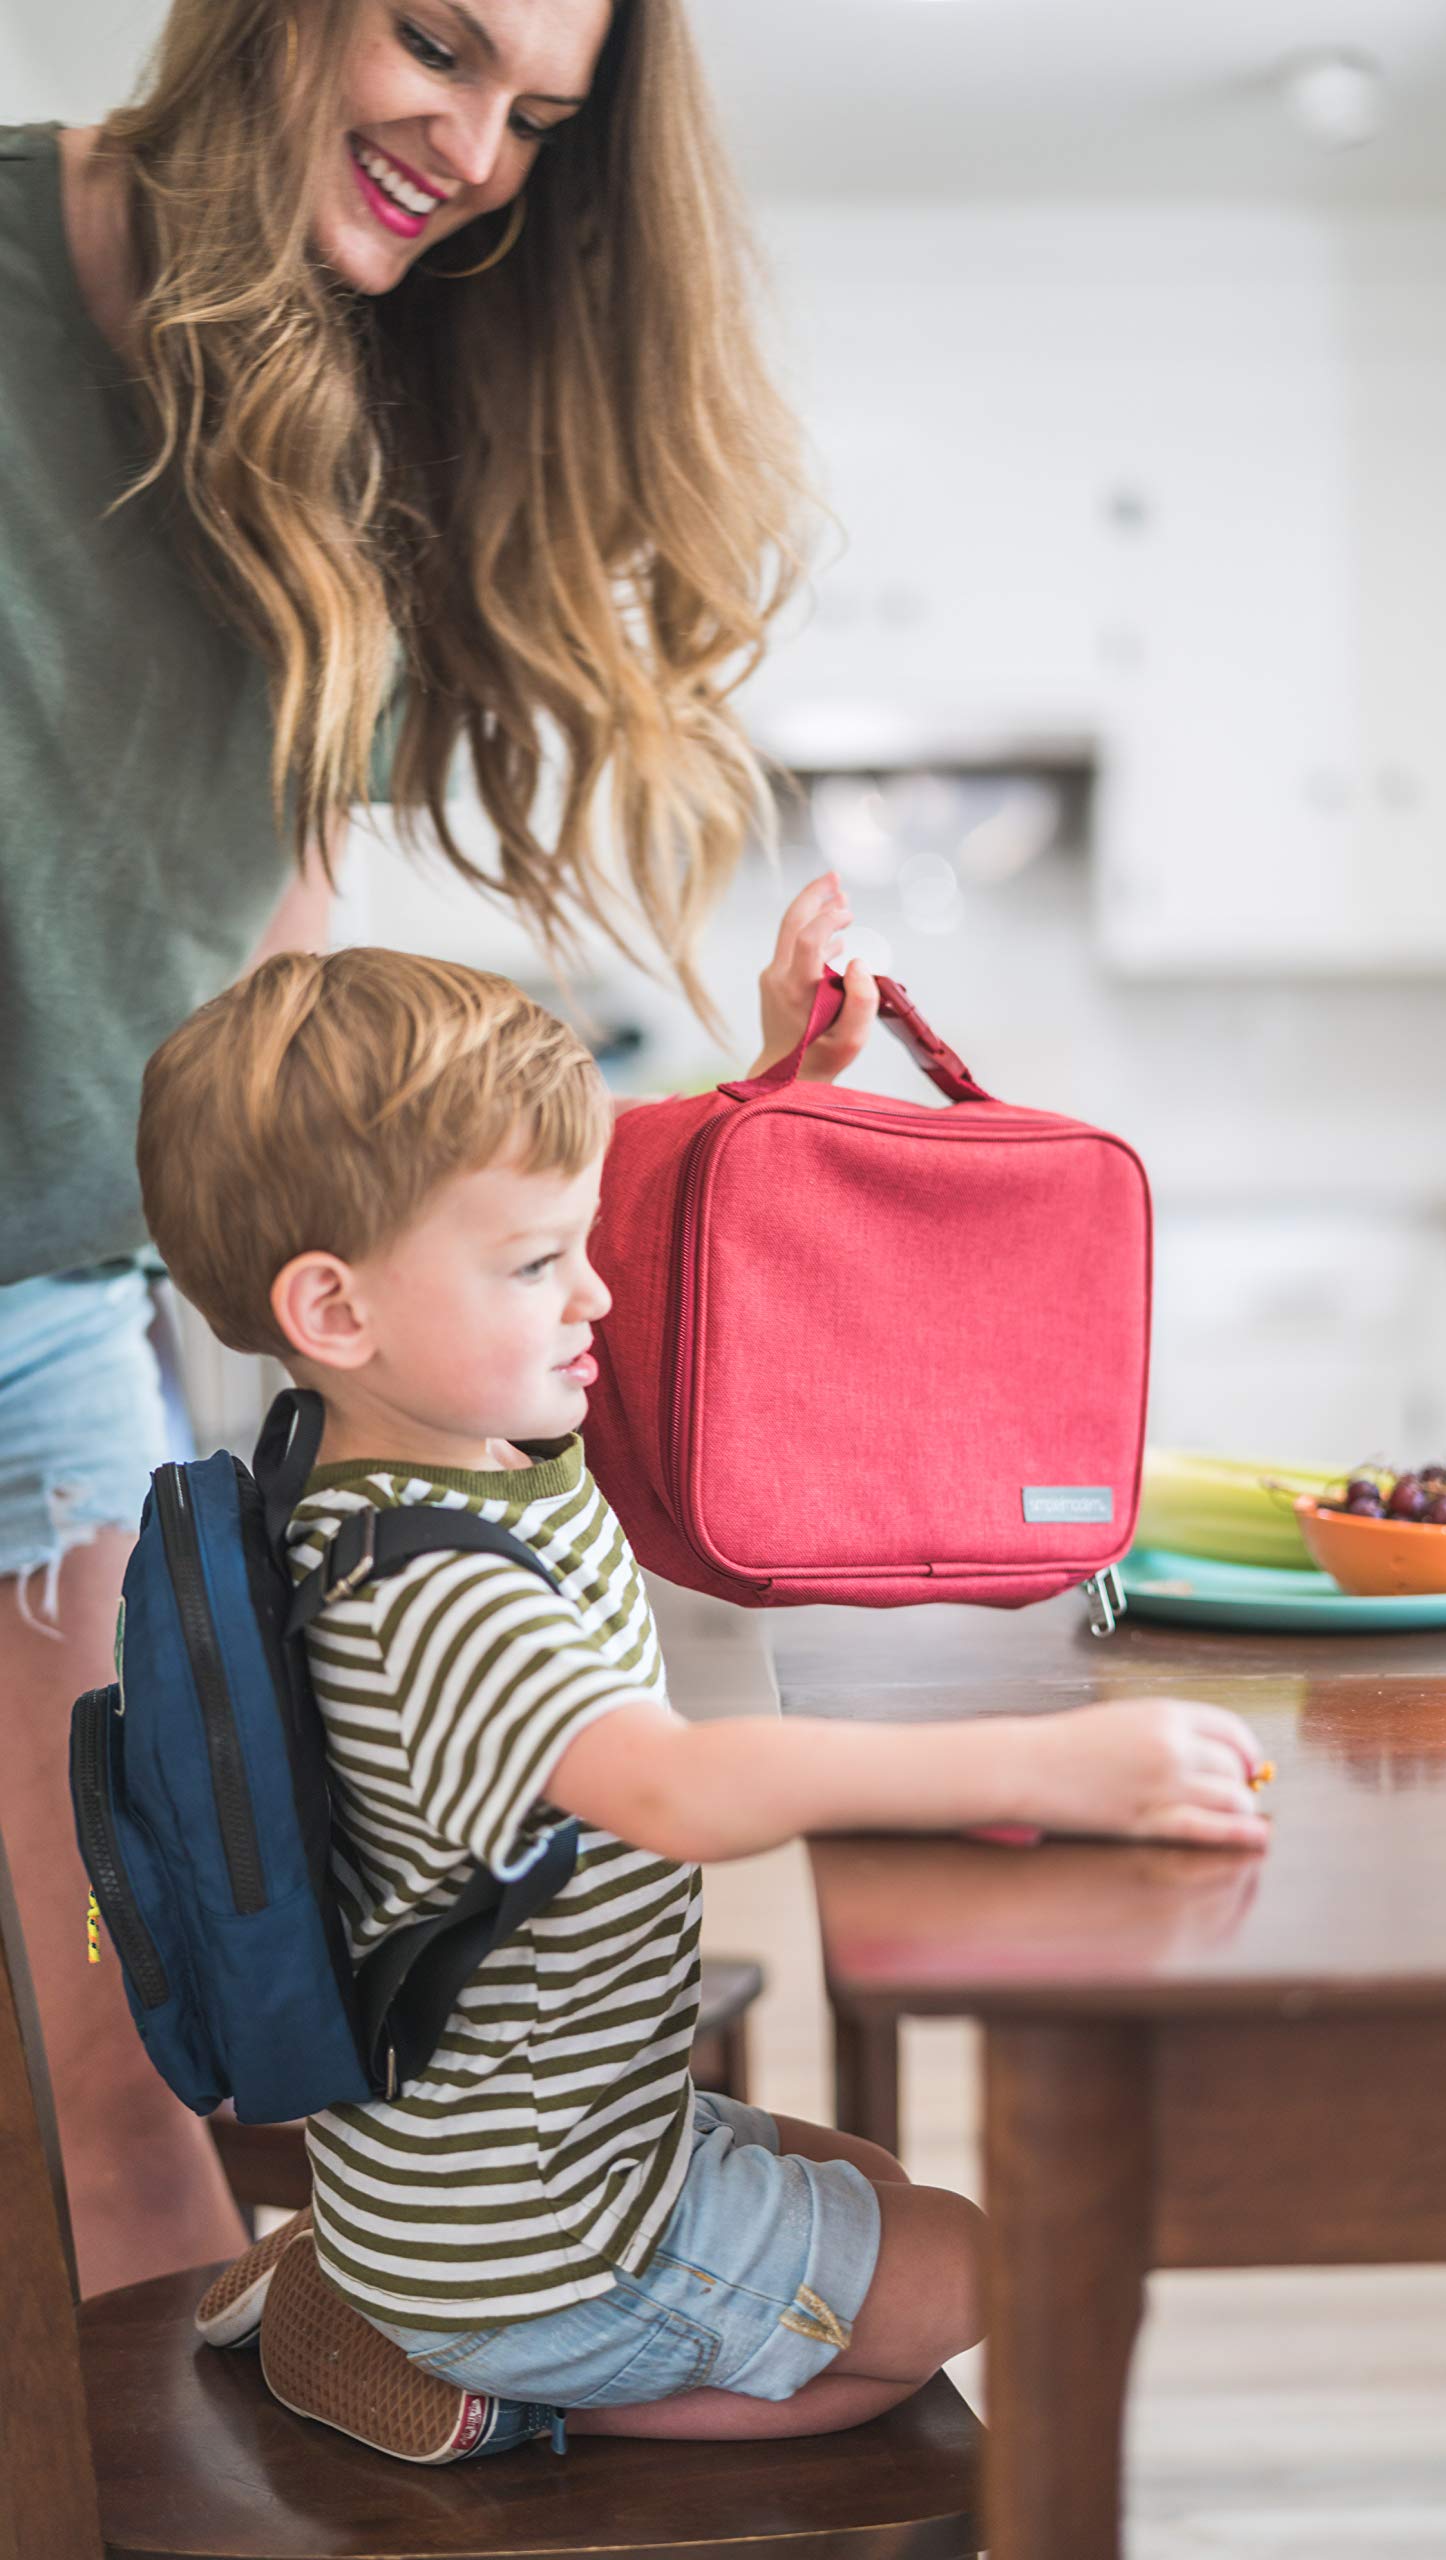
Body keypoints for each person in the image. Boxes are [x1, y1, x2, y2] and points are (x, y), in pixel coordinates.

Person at [1, 0, 876, 2292]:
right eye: (432, 41)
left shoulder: (378, 412)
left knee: (121, 2074)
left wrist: (757, 1094)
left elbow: (295, 1020)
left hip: (53, 1313)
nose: (474, 144)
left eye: (541, 117)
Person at [132, 942, 1270, 2456]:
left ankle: (380, 2291)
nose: (596, 1289)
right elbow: (672, 1788)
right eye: (537, 1264)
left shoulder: (422, 1445)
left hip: (519, 2151)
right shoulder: (436, 1593)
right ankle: (482, 2387)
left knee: (892, 2192)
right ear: (338, 1310)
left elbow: (620, 1233)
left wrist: (778, 1075)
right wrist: (1055, 1770)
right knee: (980, 2273)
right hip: (544, 2224)